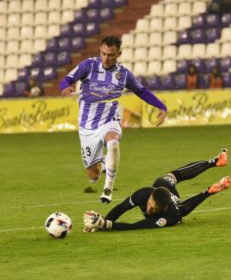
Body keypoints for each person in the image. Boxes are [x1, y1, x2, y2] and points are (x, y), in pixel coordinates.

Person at [59, 36, 167, 204]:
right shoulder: (88, 65)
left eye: (111, 55)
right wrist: (64, 87)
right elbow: (66, 79)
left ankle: (108, 189)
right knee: (93, 176)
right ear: (100, 52)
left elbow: (142, 91)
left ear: (119, 54)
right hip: (87, 126)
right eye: (103, 54)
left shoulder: (123, 74)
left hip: (110, 120)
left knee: (113, 141)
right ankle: (102, 163)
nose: (106, 58)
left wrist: (161, 106)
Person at [83, 149, 231, 231]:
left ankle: (211, 190)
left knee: (182, 211)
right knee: (170, 177)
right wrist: (104, 222)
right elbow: (121, 208)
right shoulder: (144, 194)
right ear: (151, 196)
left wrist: (105, 225)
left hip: (177, 207)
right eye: (149, 204)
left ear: (162, 208)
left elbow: (135, 226)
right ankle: (215, 161)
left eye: (153, 209)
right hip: (163, 187)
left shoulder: (167, 217)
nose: (149, 209)